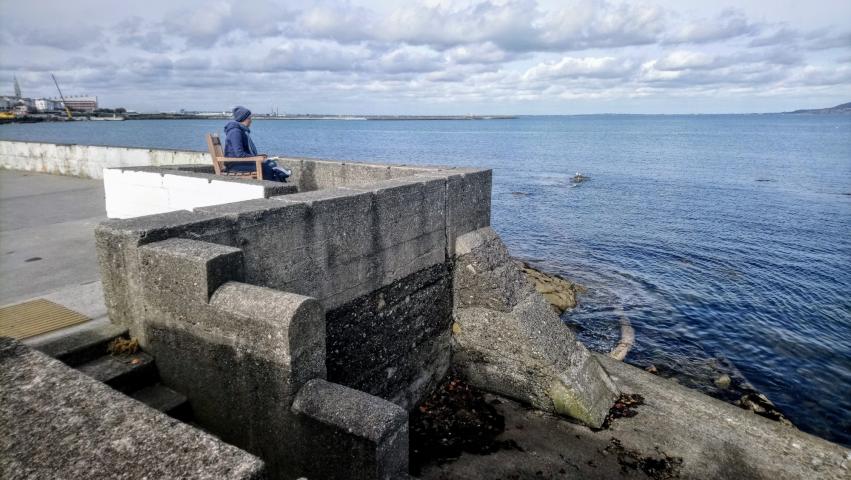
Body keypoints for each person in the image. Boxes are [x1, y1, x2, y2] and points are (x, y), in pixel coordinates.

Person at [223, 106, 290, 182]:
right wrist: (256, 158)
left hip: (240, 162)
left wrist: (257, 157)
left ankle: (280, 184)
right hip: (234, 164)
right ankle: (275, 185)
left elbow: (241, 154)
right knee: (267, 167)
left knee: (271, 163)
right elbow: (239, 154)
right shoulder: (235, 132)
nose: (251, 121)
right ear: (243, 119)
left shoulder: (241, 131)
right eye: (249, 118)